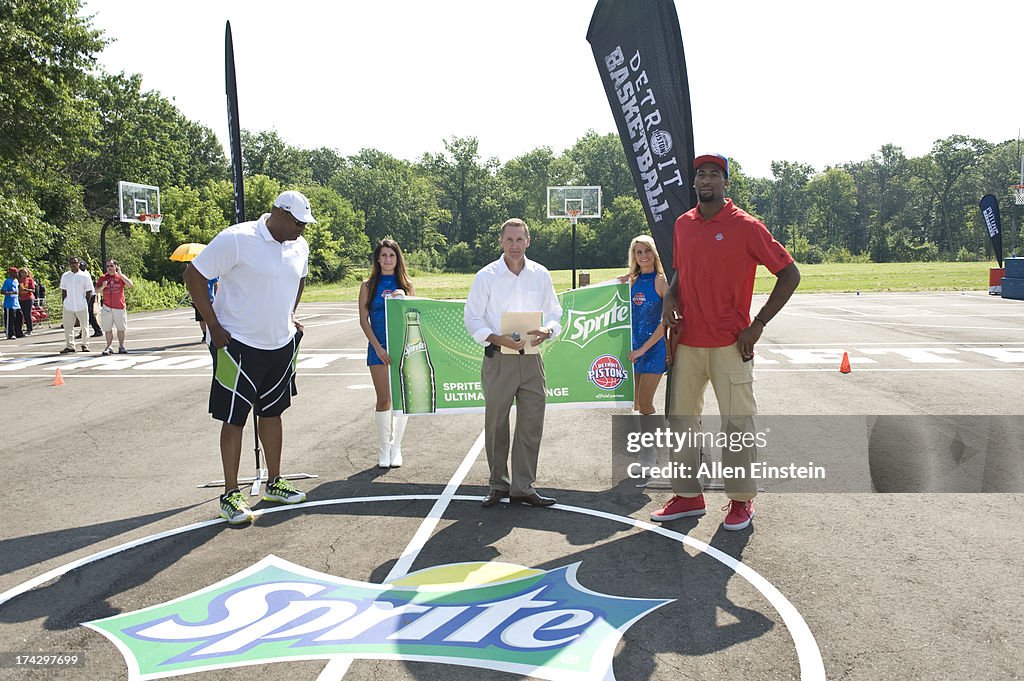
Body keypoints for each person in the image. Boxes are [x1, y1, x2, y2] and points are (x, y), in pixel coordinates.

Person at [652, 153, 800, 531]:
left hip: (731, 344)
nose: (706, 180)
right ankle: (688, 496)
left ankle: (740, 501)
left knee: (737, 425)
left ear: (726, 183)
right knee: (681, 422)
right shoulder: (683, 225)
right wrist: (670, 298)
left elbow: (790, 275)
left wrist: (759, 324)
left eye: (714, 175)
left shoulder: (746, 226)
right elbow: (680, 273)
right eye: (701, 174)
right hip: (687, 344)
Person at [184, 190, 314, 525]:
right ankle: (230, 494)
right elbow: (194, 276)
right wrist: (213, 325)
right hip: (237, 344)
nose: (302, 228)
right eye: (297, 222)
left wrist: (290, 313)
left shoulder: (299, 245)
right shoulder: (237, 239)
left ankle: (274, 482)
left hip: (280, 344)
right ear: (278, 213)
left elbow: (299, 279)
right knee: (234, 418)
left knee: (273, 414)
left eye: (304, 223)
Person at [464, 218, 563, 508]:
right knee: (496, 425)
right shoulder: (486, 276)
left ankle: (523, 486)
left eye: (520, 240)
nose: (515, 246)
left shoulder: (540, 274)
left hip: (532, 360)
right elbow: (472, 318)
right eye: (509, 240)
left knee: (531, 423)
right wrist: (496, 338)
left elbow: (555, 312)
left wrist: (549, 330)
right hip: (498, 359)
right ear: (500, 242)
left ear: (528, 241)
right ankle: (498, 484)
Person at [358, 238, 415, 468]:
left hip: (402, 349)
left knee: (401, 399)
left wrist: (403, 298)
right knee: (384, 400)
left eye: (392, 255)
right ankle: (383, 449)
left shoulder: (407, 284)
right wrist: (379, 348)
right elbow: (364, 321)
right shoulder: (368, 285)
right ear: (377, 259)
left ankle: (396, 447)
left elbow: (413, 315)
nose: (388, 260)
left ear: (397, 258)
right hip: (378, 350)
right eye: (383, 255)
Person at [624, 236, 669, 415]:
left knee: (645, 403)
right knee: (635, 404)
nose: (644, 255)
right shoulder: (631, 281)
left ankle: (653, 442)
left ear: (654, 253)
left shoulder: (661, 280)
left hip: (653, 350)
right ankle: (641, 441)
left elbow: (666, 321)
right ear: (634, 256)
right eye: (639, 252)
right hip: (633, 351)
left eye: (648, 250)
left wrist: (643, 349)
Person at [95, 259, 134, 355]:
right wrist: (103, 287)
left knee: (121, 328)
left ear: (116, 267)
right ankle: (109, 346)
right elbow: (96, 290)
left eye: (111, 266)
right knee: (107, 328)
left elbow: (130, 285)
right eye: (107, 266)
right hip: (107, 307)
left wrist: (120, 275)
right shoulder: (103, 278)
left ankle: (121, 346)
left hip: (119, 307)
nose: (109, 268)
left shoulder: (120, 277)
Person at [60, 257, 94, 353]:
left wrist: (85, 302)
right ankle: (70, 346)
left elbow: (89, 291)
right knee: (68, 327)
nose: (73, 264)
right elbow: (63, 290)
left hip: (81, 304)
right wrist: (64, 302)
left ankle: (85, 345)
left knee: (84, 326)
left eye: (75, 262)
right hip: (69, 305)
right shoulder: (65, 276)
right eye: (71, 263)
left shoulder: (84, 276)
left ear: (79, 263)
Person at [78, 260, 103, 338]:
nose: (81, 267)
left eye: (82, 266)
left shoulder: (85, 274)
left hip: (89, 295)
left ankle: (95, 330)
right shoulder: (80, 274)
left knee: (86, 314)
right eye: (80, 266)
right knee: (87, 314)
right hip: (84, 295)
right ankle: (96, 330)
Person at [194, 277, 219, 343]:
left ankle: (212, 334)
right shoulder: (196, 272)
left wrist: (217, 295)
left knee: (211, 317)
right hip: (198, 299)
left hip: (210, 299)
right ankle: (205, 334)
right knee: (201, 319)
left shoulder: (210, 272)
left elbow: (216, 284)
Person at [2, 267, 22, 339]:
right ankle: (10, 334)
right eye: (15, 272)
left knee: (19, 317)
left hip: (16, 303)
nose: (16, 274)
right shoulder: (7, 281)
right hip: (9, 304)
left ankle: (18, 332)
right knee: (10, 319)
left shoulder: (16, 281)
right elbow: (3, 291)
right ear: (11, 273)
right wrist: (12, 292)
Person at [17, 268, 34, 335]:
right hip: (20, 298)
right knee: (21, 314)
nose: (24, 274)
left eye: (25, 272)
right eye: (22, 272)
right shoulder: (18, 280)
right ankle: (19, 329)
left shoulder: (30, 280)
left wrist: (25, 289)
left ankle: (30, 329)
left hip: (28, 298)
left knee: (27, 313)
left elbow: (33, 290)